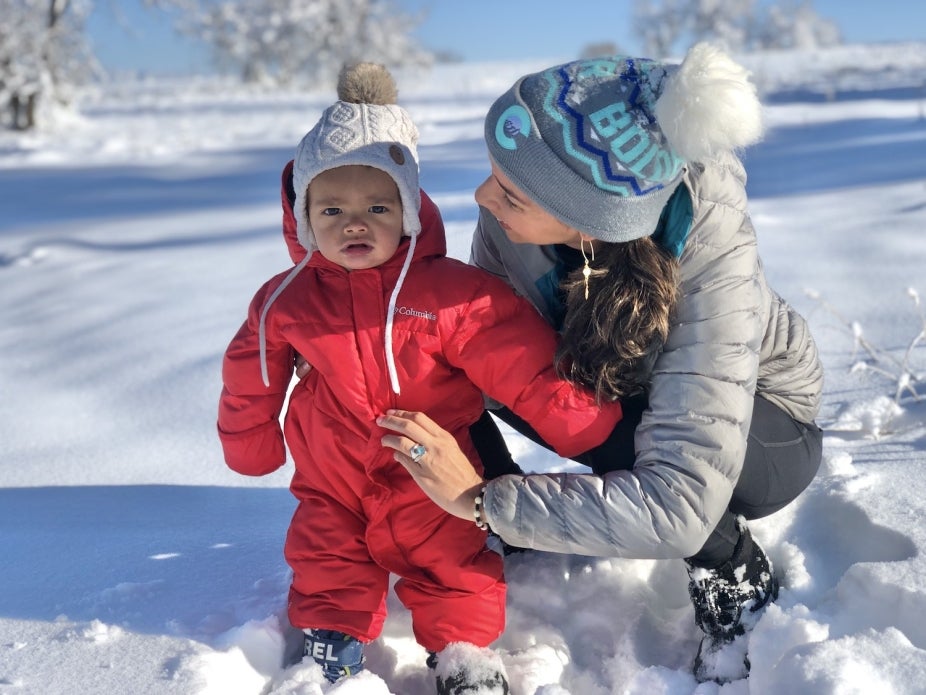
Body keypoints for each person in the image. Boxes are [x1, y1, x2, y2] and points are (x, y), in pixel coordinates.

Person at [378, 43, 824, 684]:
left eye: (510, 193)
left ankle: (732, 567)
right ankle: (521, 534)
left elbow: (679, 505)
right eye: (494, 173)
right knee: (469, 367)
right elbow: (468, 342)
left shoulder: (712, 259)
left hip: (765, 430)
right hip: (629, 392)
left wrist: (481, 501)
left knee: (627, 437)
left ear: (590, 220)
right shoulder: (515, 217)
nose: (481, 197)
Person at [216, 62, 623, 694]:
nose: (355, 224)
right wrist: (251, 444)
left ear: (407, 211)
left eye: (377, 206)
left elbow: (514, 353)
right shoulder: (285, 299)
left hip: (429, 466)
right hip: (332, 469)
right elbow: (252, 373)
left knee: (454, 557)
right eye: (332, 209)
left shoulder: (448, 293)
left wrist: (580, 423)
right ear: (304, 217)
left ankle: (463, 655)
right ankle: (333, 638)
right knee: (327, 554)